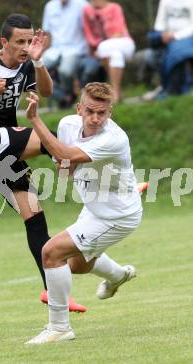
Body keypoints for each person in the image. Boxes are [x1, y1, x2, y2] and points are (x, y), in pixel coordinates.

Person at [0, 13, 86, 312]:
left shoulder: (26, 65)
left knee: (34, 216)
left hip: (2, 152)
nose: (24, 46)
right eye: (19, 42)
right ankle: (86, 180)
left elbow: (46, 92)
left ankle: (53, 292)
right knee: (53, 137)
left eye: (29, 41)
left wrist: (37, 61)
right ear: (3, 42)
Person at [24, 82, 143, 344]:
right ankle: (119, 275)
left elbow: (63, 152)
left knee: (51, 252)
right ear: (79, 108)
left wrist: (34, 119)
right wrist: (65, 164)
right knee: (77, 265)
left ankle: (59, 328)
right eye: (90, 111)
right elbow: (65, 167)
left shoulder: (114, 138)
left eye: (102, 113)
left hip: (117, 216)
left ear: (110, 113)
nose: (95, 118)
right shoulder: (68, 125)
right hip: (95, 209)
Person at [42, 0, 103, 108]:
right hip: (54, 50)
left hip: (75, 49)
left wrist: (93, 49)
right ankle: (65, 97)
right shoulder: (49, 6)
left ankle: (68, 96)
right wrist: (40, 52)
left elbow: (91, 29)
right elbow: (47, 33)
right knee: (34, 69)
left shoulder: (82, 4)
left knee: (65, 71)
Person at [141, 0, 193, 100]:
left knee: (176, 52)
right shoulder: (165, 1)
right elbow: (160, 25)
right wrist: (162, 36)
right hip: (168, 38)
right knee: (150, 55)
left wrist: (175, 36)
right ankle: (168, 87)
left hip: (192, 38)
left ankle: (172, 90)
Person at [83, 0, 136, 102]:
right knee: (116, 56)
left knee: (103, 48)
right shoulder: (87, 10)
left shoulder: (115, 7)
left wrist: (99, 48)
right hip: (107, 49)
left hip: (123, 42)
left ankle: (115, 92)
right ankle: (116, 93)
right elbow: (88, 32)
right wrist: (93, 46)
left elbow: (118, 32)